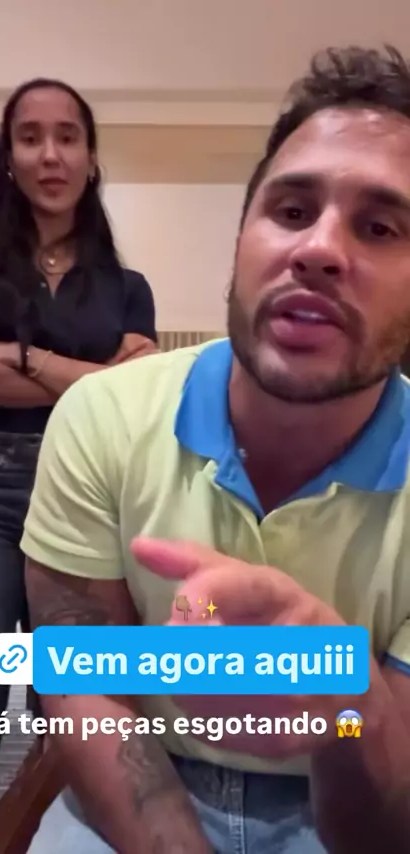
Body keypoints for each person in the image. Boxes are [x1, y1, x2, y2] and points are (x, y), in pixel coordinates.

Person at [21, 45, 410, 854]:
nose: (318, 249)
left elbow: (387, 819)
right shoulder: (103, 416)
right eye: (291, 211)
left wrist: (347, 695)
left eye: (379, 227)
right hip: (145, 777)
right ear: (241, 242)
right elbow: (87, 684)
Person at [0, 77, 158, 854]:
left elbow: (131, 401)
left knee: (90, 728)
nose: (50, 154)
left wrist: (16, 357)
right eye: (30, 137)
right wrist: (83, 375)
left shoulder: (126, 288)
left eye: (68, 136)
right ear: (9, 156)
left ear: (90, 158)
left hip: (89, 500)